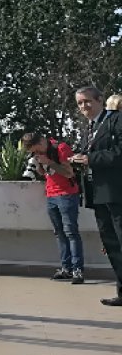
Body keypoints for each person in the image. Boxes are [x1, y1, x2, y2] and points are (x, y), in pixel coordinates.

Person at [69, 86, 122, 307]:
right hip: (97, 194)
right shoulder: (89, 128)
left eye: (87, 101)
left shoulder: (115, 121)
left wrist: (91, 159)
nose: (84, 107)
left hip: (116, 192)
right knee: (111, 244)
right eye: (80, 103)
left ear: (100, 100)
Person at [21, 132, 84, 283]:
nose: (36, 153)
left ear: (42, 141)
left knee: (71, 232)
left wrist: (48, 161)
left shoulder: (61, 148)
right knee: (59, 233)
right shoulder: (42, 153)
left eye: (36, 149)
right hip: (51, 194)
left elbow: (69, 173)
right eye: (33, 152)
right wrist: (39, 167)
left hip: (67, 194)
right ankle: (66, 269)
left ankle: (77, 270)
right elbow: (48, 174)